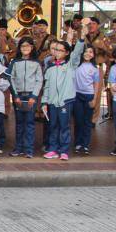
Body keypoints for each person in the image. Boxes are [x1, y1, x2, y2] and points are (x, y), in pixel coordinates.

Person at [40, 30, 84, 160]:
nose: (57, 52)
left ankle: (64, 150)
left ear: (66, 53)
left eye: (60, 50)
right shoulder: (50, 67)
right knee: (53, 125)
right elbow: (46, 87)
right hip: (52, 102)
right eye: (56, 50)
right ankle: (53, 149)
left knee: (64, 126)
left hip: (66, 101)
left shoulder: (70, 65)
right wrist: (44, 102)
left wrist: (81, 39)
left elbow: (77, 53)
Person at [8, 37, 43, 158]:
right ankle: (18, 148)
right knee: (19, 123)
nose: (25, 48)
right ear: (19, 48)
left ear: (32, 48)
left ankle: (28, 149)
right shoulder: (14, 62)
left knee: (29, 123)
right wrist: (15, 95)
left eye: (28, 46)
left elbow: (39, 80)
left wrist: (34, 96)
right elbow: (11, 78)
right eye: (23, 46)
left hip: (30, 96)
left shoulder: (37, 63)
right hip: (18, 95)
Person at [72, 45, 101, 154]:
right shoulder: (75, 65)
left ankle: (85, 144)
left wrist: (94, 99)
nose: (88, 54)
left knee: (87, 122)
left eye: (90, 52)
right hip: (77, 95)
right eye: (85, 51)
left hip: (89, 95)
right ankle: (78, 143)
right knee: (78, 120)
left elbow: (96, 85)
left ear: (93, 55)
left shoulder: (95, 69)